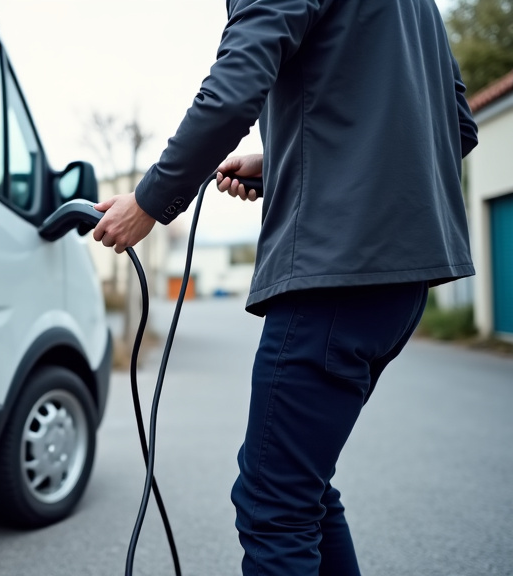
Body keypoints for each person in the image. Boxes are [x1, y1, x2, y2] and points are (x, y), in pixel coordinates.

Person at [91, 0, 478, 574]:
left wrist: (149, 201)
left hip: (336, 272)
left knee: (273, 505)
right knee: (300, 488)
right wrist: (284, 159)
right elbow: (457, 126)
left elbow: (233, 88)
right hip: (402, 279)